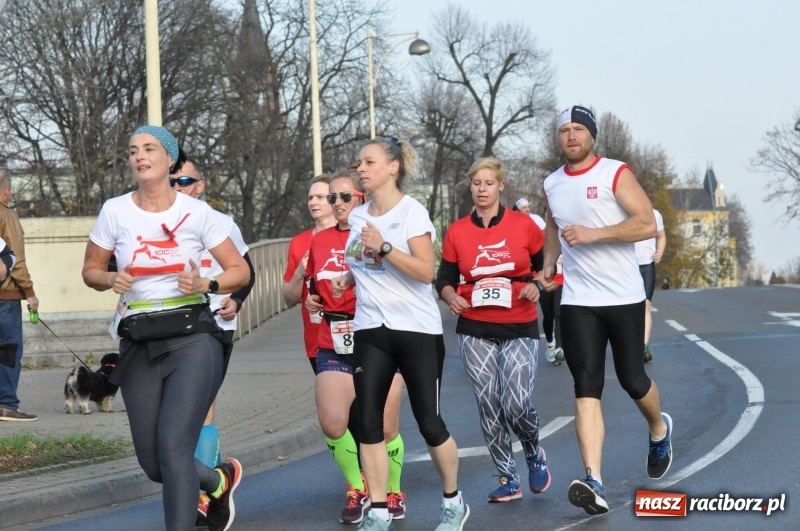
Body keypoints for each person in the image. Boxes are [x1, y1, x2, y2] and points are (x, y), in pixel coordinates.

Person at [82, 125, 250, 531]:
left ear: (169, 159)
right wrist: (110, 280)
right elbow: (90, 270)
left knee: (174, 450)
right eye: (133, 150)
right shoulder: (115, 210)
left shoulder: (197, 213)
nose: (139, 156)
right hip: (138, 343)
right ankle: (218, 478)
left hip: (193, 340)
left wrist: (206, 284)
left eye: (149, 149)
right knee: (155, 463)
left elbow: (240, 270)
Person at [540, 105, 673, 516]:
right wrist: (548, 263)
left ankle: (658, 428)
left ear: (592, 136)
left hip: (623, 296)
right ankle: (593, 479)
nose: (572, 136)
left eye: (579, 129)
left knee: (634, 381)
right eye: (565, 130)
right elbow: (552, 225)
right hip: (580, 301)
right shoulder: (552, 183)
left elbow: (646, 224)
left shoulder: (614, 173)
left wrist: (595, 234)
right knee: (585, 386)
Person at [332, 138, 469, 531]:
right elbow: (364, 262)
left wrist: (386, 246)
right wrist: (346, 278)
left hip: (417, 331)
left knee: (429, 422)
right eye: (359, 162)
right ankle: (377, 511)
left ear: (392, 167)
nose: (361, 168)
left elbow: (426, 272)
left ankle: (452, 501)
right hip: (371, 330)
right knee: (369, 422)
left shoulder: (412, 213)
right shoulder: (357, 218)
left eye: (369, 162)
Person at [435, 157, 551, 504]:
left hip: (519, 323)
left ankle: (533, 449)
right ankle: (508, 477)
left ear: (501, 186)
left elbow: (548, 268)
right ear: (470, 187)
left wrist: (537, 286)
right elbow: (443, 278)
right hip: (474, 325)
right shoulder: (457, 231)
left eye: (489, 183)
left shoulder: (524, 226)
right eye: (476, 183)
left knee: (516, 402)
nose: (482, 189)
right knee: (488, 403)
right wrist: (450, 295)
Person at [304, 169, 407, 524]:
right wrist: (316, 300)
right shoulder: (318, 241)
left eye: (344, 197)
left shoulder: (378, 232)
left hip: (379, 336)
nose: (336, 204)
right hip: (333, 339)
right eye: (332, 198)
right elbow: (314, 286)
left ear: (361, 197)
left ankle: (392, 491)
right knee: (333, 421)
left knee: (383, 425)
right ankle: (358, 487)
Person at [168, 155, 256, 526]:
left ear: (200, 186)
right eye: (172, 181)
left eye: (184, 181)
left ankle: (203, 495)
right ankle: (215, 480)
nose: (177, 187)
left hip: (213, 324)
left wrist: (235, 301)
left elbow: (247, 272)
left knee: (202, 406)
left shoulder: (222, 224)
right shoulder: (157, 223)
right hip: (169, 325)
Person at [282, 174, 336, 373]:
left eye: (320, 197)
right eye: (310, 198)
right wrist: (300, 273)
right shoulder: (299, 242)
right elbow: (288, 299)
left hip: (353, 336)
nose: (313, 202)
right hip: (316, 341)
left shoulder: (351, 237)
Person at [0, 170, 39, 422]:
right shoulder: (7, 215)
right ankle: (7, 404)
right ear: (6, 191)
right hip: (6, 297)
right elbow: (16, 260)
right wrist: (30, 293)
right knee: (9, 351)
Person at [634, 208, 666, 362]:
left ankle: (644, 346)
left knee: (646, 305)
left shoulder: (654, 214)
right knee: (631, 308)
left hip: (647, 266)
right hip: (629, 267)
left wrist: (659, 251)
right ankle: (631, 345)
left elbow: (661, 236)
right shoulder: (626, 214)